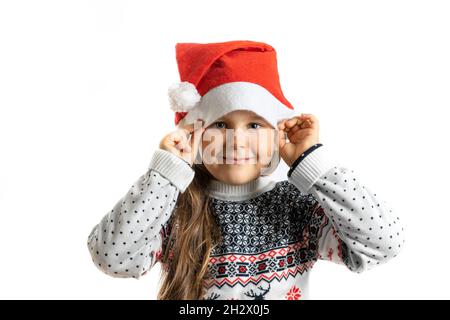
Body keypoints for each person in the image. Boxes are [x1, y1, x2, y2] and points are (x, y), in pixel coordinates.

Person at [87, 40, 405, 300]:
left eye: (254, 124)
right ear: (193, 133)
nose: (237, 141)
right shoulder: (173, 207)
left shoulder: (297, 207)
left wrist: (312, 163)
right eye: (221, 124)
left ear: (277, 134)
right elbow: (112, 257)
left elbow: (384, 242)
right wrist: (166, 173)